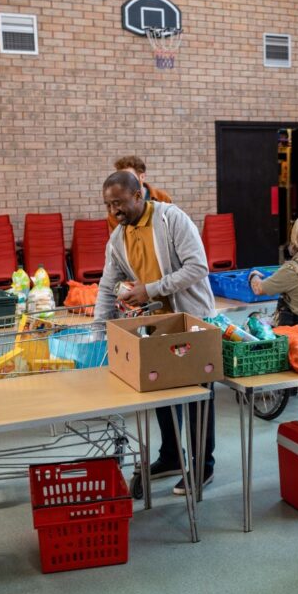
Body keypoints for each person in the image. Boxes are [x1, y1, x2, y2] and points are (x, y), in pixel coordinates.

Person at [94, 171, 216, 494]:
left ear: (138, 196)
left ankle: (203, 466)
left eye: (118, 203)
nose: (114, 211)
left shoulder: (171, 220)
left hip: (193, 320)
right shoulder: (118, 238)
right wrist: (97, 331)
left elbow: (198, 267)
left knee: (196, 397)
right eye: (108, 205)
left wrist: (150, 289)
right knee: (159, 390)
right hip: (158, 324)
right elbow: (107, 285)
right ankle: (172, 456)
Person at [106, 155, 174, 232]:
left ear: (142, 177)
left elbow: (171, 230)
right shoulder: (115, 206)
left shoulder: (163, 198)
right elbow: (116, 239)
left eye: (128, 177)